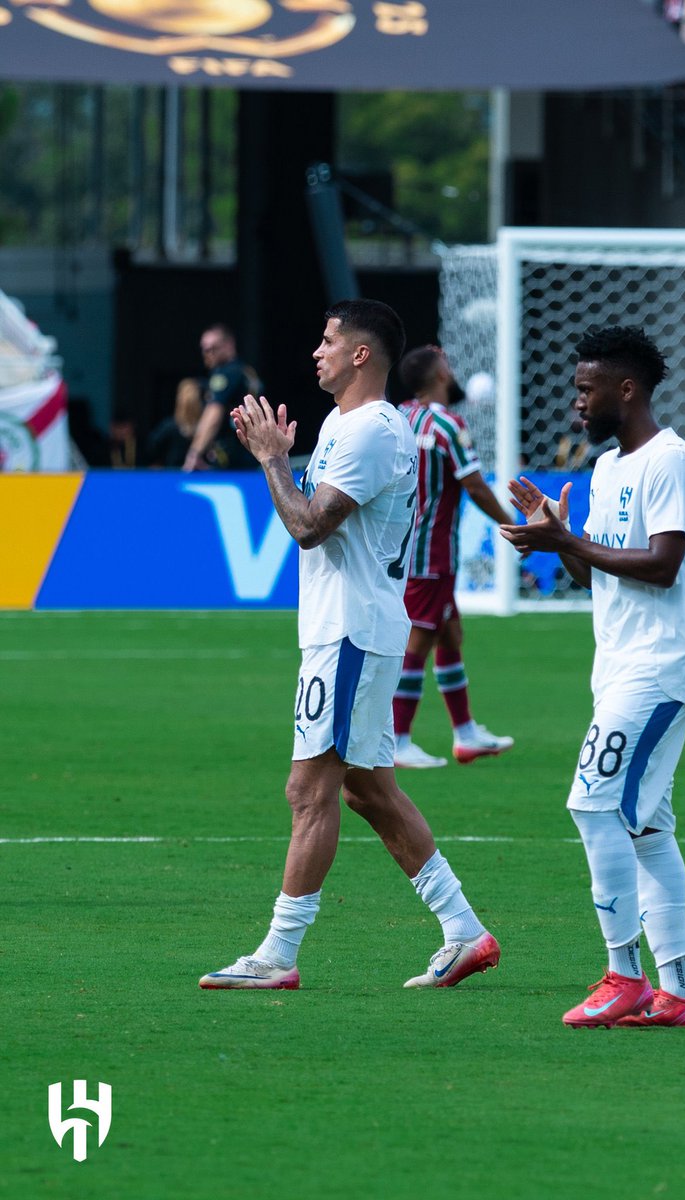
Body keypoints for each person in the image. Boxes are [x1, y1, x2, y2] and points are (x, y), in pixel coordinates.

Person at [199, 300, 500, 991]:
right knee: (367, 790)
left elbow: (308, 527)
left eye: (329, 340)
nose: (317, 351)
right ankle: (464, 932)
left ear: (361, 354)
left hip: (352, 633)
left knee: (308, 790)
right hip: (347, 627)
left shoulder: (370, 431)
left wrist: (273, 461)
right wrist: (279, 460)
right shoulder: (344, 423)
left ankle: (277, 955)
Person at [500, 325, 685, 1029]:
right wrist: (558, 535)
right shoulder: (609, 469)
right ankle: (680, 993)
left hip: (659, 666)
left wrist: (566, 538)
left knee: (592, 804)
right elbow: (594, 573)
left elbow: (663, 564)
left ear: (627, 389)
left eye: (586, 390)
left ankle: (624, 974)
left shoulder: (670, 461)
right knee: (647, 826)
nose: (575, 404)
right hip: (620, 665)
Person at [392, 345, 515, 769]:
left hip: (401, 546)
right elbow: (476, 486)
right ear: (439, 374)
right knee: (418, 641)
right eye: (446, 363)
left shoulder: (400, 417)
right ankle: (397, 739)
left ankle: (465, 734)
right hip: (432, 552)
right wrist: (511, 524)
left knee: (449, 634)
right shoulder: (447, 424)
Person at [183, 323, 262, 472]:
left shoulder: (226, 373)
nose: (207, 353)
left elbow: (214, 413)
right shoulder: (246, 372)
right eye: (204, 349)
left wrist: (194, 453)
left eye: (213, 348)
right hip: (253, 454)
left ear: (229, 345)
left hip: (233, 458)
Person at [144, 377, 202, 468]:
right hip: (174, 477)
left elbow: (151, 448)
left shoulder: (208, 429)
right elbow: (151, 449)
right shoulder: (169, 427)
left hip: (194, 477)